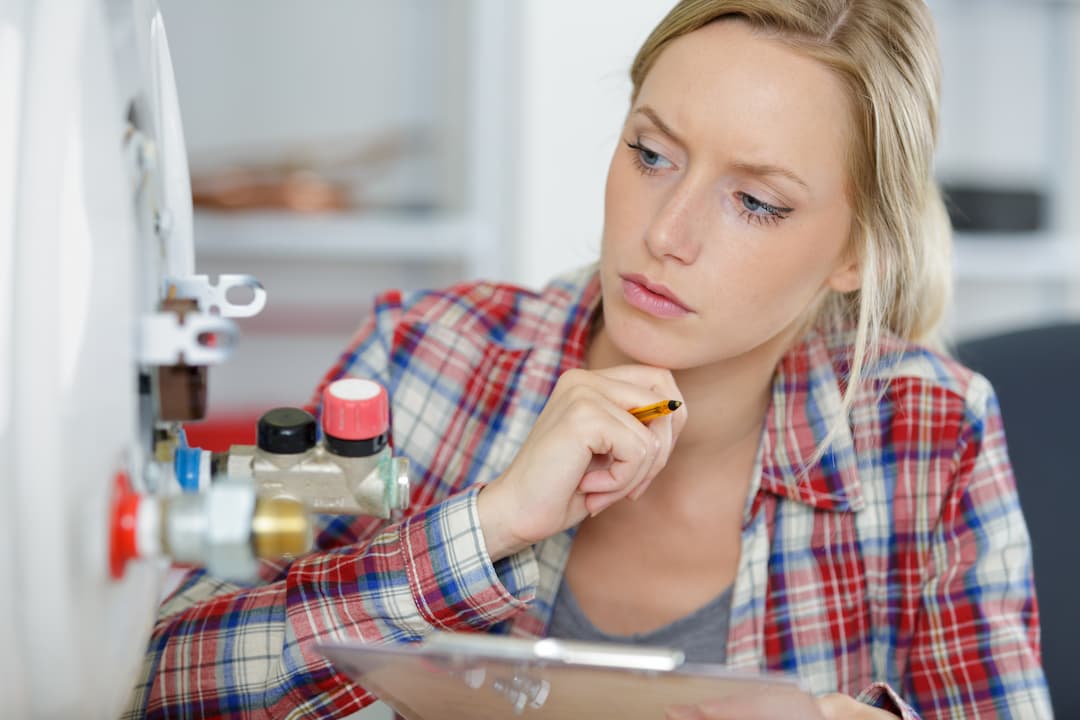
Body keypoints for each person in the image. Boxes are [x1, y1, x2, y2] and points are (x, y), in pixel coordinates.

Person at [123, 1, 1052, 718]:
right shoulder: (430, 357)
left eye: (756, 203)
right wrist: (486, 527)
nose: (666, 233)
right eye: (650, 154)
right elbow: (163, 680)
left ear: (854, 253)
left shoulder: (932, 431)